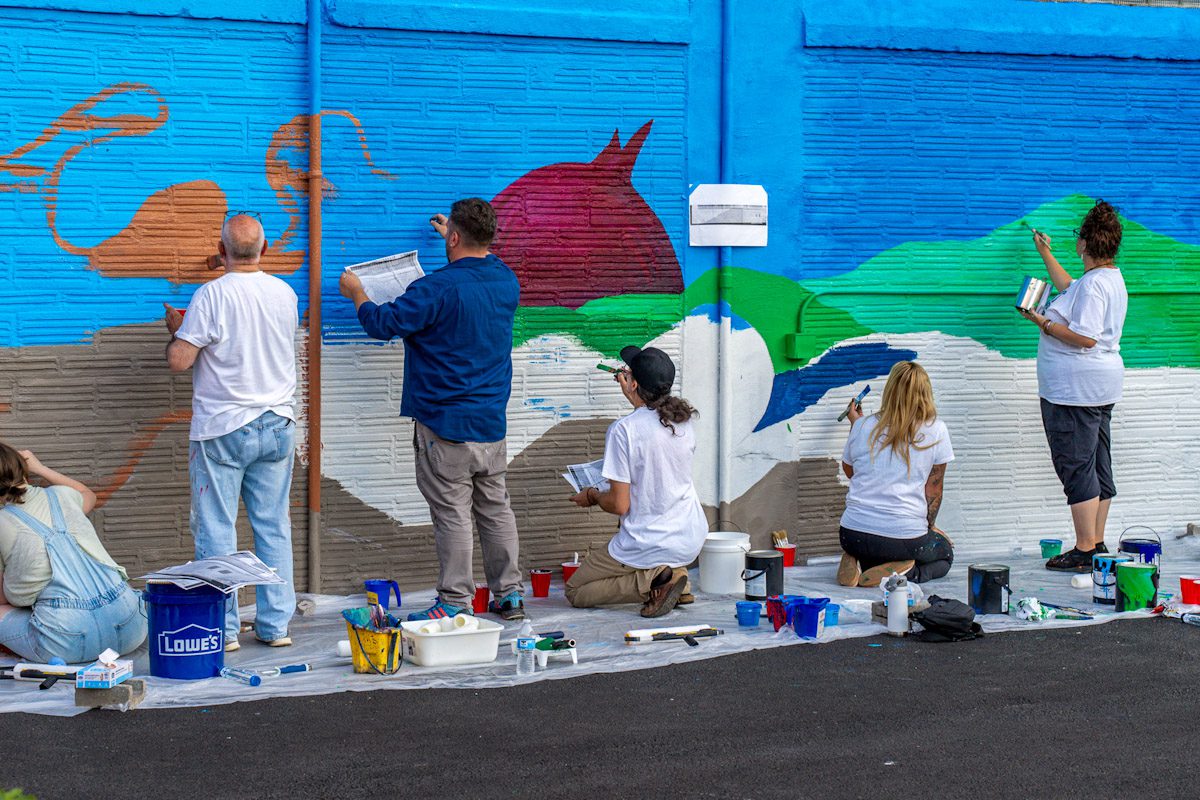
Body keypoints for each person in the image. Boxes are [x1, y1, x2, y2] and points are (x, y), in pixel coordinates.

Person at [339, 198, 525, 621]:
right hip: (490, 422)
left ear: (455, 236)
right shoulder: (505, 280)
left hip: (444, 425)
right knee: (495, 508)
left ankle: (455, 602)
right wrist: (457, 239)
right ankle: (510, 594)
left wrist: (358, 293)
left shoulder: (436, 288)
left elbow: (381, 324)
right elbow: (481, 263)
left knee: (452, 513)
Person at [164, 212, 299, 650]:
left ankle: (222, 630)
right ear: (266, 250)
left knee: (217, 529)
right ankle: (276, 626)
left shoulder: (209, 296)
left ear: (221, 251)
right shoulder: (284, 292)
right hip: (278, 422)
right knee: (273, 527)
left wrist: (178, 331)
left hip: (224, 428)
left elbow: (179, 361)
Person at [1019, 200, 1128, 572]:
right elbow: (1069, 287)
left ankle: (1084, 550)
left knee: (1077, 464)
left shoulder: (1095, 287)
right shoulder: (1105, 279)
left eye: (1076, 237)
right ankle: (1096, 542)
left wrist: (1041, 322)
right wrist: (1045, 253)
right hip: (1098, 387)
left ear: (1084, 243)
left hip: (1074, 392)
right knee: (1097, 462)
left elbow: (1085, 336)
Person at [565, 346, 706, 618]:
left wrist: (593, 495)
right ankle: (677, 576)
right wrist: (636, 397)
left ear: (634, 383)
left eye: (628, 372)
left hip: (648, 541)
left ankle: (653, 581)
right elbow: (651, 435)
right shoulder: (682, 421)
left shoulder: (624, 429)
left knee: (575, 590)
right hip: (688, 535)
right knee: (656, 557)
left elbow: (619, 504)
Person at [0, 443, 146, 662]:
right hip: (132, 628)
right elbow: (87, 494)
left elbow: (7, 599)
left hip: (65, 642)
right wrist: (40, 468)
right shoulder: (63, 496)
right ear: (24, 470)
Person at [836, 361, 954, 587]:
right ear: (925, 393)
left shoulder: (862, 425)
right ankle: (904, 574)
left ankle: (858, 561)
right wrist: (930, 526)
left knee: (876, 545)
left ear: (890, 391)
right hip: (903, 539)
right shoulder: (936, 429)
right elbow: (934, 488)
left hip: (851, 535)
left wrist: (856, 425)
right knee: (945, 554)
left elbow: (852, 471)